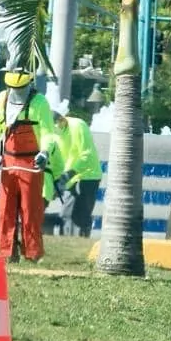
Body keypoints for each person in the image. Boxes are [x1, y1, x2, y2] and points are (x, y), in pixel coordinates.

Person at [0, 68, 59, 263]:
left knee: (30, 209)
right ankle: (7, 252)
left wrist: (44, 153)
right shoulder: (2, 99)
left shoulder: (39, 102)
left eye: (20, 88)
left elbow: (48, 133)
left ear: (28, 85)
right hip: (8, 163)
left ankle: (32, 253)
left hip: (31, 163)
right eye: (13, 88)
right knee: (5, 210)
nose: (16, 92)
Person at [52, 100, 103, 238]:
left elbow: (86, 154)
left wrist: (70, 173)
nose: (55, 126)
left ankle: (81, 241)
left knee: (80, 215)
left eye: (56, 122)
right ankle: (70, 241)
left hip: (88, 175)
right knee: (67, 214)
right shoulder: (54, 133)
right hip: (70, 177)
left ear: (63, 118)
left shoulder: (78, 125)